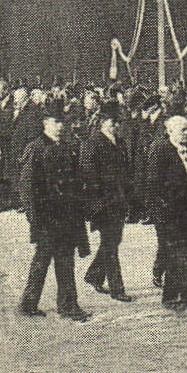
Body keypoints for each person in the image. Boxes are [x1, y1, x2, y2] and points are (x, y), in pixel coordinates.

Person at [18, 109, 90, 320]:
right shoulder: (36, 148)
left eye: (61, 122)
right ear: (45, 123)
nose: (59, 127)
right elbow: (27, 187)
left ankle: (68, 304)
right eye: (55, 122)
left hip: (67, 215)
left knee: (65, 259)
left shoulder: (67, 148)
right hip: (47, 217)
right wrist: (34, 218)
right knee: (42, 259)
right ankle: (29, 303)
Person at [147, 114, 187, 313]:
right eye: (183, 130)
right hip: (168, 213)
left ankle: (170, 297)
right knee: (180, 255)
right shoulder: (160, 150)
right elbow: (153, 183)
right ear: (170, 131)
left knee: (178, 255)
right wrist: (161, 210)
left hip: (185, 213)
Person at [80, 107, 133, 301]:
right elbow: (88, 174)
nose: (115, 126)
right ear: (102, 122)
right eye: (112, 122)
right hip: (102, 202)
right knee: (111, 243)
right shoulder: (92, 143)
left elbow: (126, 171)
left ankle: (94, 275)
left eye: (118, 122)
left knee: (112, 241)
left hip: (118, 200)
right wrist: (96, 201)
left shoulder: (120, 142)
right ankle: (117, 289)